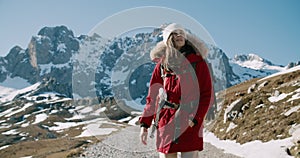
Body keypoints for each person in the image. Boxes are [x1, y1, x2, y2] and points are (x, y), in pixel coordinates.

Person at [139, 23, 214, 158]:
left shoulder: (198, 62)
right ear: (168, 38)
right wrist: (145, 124)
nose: (179, 35)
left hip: (190, 121)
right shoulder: (162, 65)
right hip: (166, 121)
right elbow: (152, 96)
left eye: (181, 33)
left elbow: (206, 94)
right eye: (175, 33)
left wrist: (196, 118)